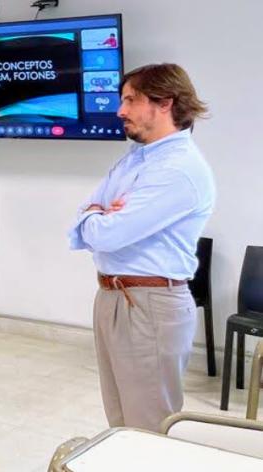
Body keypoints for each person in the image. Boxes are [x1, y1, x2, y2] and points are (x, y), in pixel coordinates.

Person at [68, 63, 214, 432]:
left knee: (148, 427)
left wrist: (98, 215)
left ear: (165, 102)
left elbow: (105, 235)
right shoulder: (137, 158)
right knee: (120, 423)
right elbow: (85, 214)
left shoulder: (178, 169)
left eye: (131, 100)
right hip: (114, 296)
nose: (120, 111)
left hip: (149, 305)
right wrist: (96, 213)